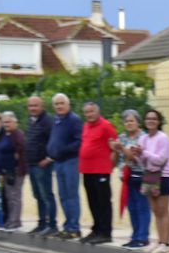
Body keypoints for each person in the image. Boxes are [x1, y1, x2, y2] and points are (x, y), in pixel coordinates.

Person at [78, 102, 118, 245]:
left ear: (98, 111)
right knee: (92, 202)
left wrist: (109, 166)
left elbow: (115, 147)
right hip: (87, 170)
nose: (89, 114)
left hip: (101, 170)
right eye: (86, 112)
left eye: (91, 111)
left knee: (103, 202)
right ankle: (96, 229)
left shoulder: (106, 126)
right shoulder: (86, 126)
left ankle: (105, 232)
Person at [44, 93, 83, 239]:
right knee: (63, 196)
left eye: (62, 103)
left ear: (68, 104)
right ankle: (67, 226)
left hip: (70, 162)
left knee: (71, 195)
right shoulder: (57, 120)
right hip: (58, 162)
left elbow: (79, 142)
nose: (59, 106)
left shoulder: (74, 120)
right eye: (56, 104)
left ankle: (74, 227)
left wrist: (61, 150)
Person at [112, 109, 150, 249]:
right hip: (126, 178)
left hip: (140, 175)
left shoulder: (143, 137)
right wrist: (115, 150)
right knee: (132, 208)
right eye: (126, 121)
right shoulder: (122, 137)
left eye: (131, 121)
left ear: (138, 122)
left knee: (142, 207)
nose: (128, 123)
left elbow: (135, 158)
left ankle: (143, 237)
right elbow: (115, 161)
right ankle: (135, 236)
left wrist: (122, 148)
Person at [139, 109, 169, 253]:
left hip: (162, 176)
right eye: (148, 118)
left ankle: (166, 243)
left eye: (154, 118)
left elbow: (161, 159)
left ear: (159, 121)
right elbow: (141, 162)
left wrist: (144, 153)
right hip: (149, 175)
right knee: (155, 210)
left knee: (163, 210)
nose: (151, 121)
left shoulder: (162, 138)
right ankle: (159, 241)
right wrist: (138, 155)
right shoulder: (144, 139)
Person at [25, 95, 57, 236]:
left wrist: (49, 158)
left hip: (42, 165)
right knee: (38, 195)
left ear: (42, 106)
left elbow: (54, 141)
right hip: (32, 164)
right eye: (30, 106)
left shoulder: (47, 121)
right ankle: (42, 223)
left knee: (46, 195)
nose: (32, 108)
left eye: (35, 105)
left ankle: (52, 225)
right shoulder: (32, 121)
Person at [0, 112, 27, 231]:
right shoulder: (5, 135)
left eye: (8, 122)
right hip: (6, 171)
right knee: (9, 196)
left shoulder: (17, 135)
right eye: (4, 122)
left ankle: (15, 222)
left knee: (15, 196)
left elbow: (22, 151)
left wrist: (17, 163)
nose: (6, 124)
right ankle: (10, 220)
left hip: (16, 170)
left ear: (15, 122)